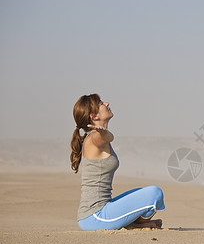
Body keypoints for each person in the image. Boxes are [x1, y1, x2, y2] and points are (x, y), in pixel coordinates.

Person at [70, 94, 165, 231]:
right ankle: (134, 225)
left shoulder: (97, 137)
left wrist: (105, 133)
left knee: (142, 192)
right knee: (155, 193)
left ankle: (133, 224)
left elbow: (107, 137)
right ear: (94, 116)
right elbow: (107, 137)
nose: (107, 103)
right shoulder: (94, 138)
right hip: (94, 217)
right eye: (102, 103)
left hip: (102, 210)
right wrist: (104, 133)